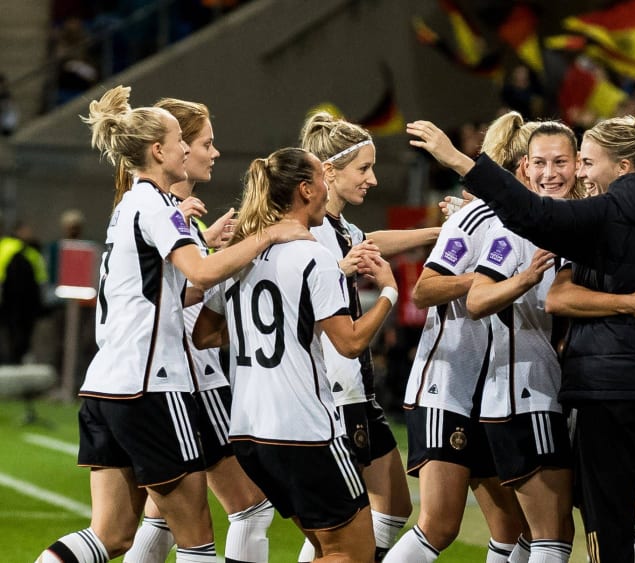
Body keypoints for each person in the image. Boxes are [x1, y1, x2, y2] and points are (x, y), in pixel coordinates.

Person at [408, 118, 635, 563]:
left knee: (567, 530)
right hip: (547, 392)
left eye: (576, 162)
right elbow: (486, 296)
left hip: (586, 388)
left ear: (618, 166)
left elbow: (538, 230)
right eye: (540, 163)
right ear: (525, 168)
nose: (568, 172)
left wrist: (461, 162)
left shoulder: (589, 216)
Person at [36, 85, 311, 563]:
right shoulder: (155, 204)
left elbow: (165, 293)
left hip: (106, 387)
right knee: (197, 536)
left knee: (113, 535)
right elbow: (200, 274)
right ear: (158, 150)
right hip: (152, 390)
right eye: (181, 141)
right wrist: (269, 234)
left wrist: (204, 239)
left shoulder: (130, 207)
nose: (188, 148)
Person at [192, 147, 398, 561]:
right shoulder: (313, 257)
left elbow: (205, 335)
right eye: (322, 180)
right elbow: (351, 342)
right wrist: (390, 293)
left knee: (325, 546)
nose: (326, 189)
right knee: (353, 553)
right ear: (305, 189)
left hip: (249, 430)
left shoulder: (241, 255)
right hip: (305, 430)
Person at [123, 97, 274, 563]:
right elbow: (194, 283)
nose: (213, 153)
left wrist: (206, 244)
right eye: (205, 143)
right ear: (175, 149)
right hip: (185, 376)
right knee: (249, 509)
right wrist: (263, 238)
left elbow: (178, 286)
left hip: (166, 376)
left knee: (156, 520)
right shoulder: (164, 208)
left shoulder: (167, 208)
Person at [383, 112, 538, 563]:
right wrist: (489, 279)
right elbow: (426, 289)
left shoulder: (534, 219)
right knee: (440, 524)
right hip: (447, 387)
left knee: (514, 530)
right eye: (537, 163)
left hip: (493, 394)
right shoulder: (476, 217)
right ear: (522, 165)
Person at [297, 112, 441, 561]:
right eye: (364, 168)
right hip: (336, 390)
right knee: (337, 532)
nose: (373, 179)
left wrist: (440, 231)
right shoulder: (312, 230)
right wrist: (384, 289)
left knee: (392, 508)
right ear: (330, 171)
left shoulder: (336, 226)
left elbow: (370, 240)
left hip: (354, 390)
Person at [464, 119, 585, 563]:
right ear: (525, 168)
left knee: (535, 538)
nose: (550, 173)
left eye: (560, 162)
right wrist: (526, 278)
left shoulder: (574, 220)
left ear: (579, 165)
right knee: (552, 537)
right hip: (523, 398)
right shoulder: (513, 229)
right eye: (540, 163)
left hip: (538, 396)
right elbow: (476, 300)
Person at [562, 112, 635, 562]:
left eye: (586, 162)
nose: (579, 174)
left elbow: (558, 298)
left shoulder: (595, 221)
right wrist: (628, 304)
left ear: (624, 166)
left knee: (608, 516)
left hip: (607, 385)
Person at [0, 222, 47, 364]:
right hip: (17, 299)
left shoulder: (9, 246)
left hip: (13, 298)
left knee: (12, 332)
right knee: (17, 332)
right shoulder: (25, 249)